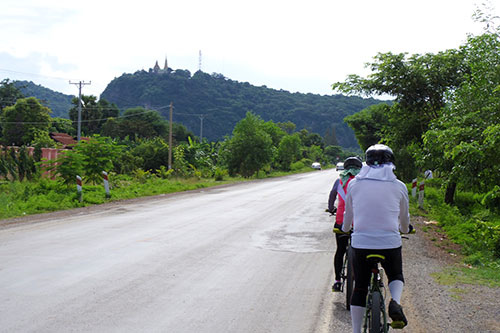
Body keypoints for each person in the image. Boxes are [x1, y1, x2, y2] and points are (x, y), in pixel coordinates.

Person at [342, 144, 411, 333]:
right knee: (395, 275)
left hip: (361, 243)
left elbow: (348, 216)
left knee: (360, 288)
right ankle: (395, 302)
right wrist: (405, 229)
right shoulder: (399, 186)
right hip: (390, 243)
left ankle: (356, 330)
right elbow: (404, 219)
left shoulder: (355, 184)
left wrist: (345, 228)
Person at [328, 156, 363, 292]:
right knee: (361, 251)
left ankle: (337, 281)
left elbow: (332, 197)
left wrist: (331, 208)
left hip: (341, 222)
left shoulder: (339, 181)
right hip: (360, 223)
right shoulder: (362, 182)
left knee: (340, 250)